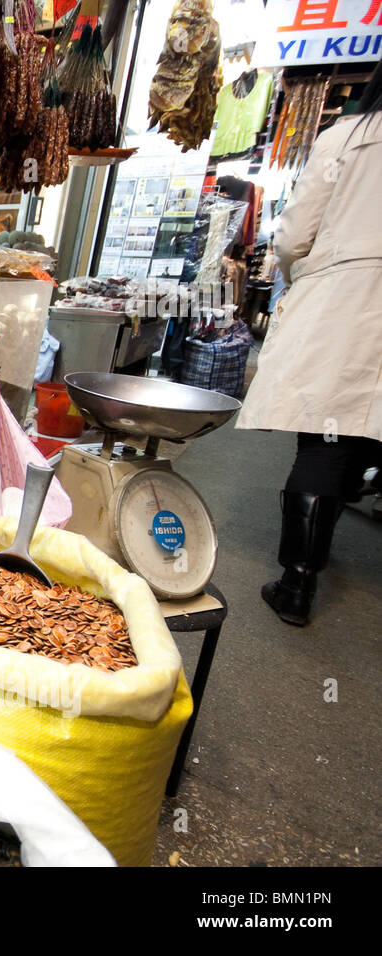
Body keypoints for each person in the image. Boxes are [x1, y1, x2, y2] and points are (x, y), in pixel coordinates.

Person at [236, 57, 382, 626]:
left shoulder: (347, 138)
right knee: (363, 437)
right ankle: (348, 502)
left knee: (325, 439)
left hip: (346, 301)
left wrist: (305, 272)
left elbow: (294, 237)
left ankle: (297, 583)